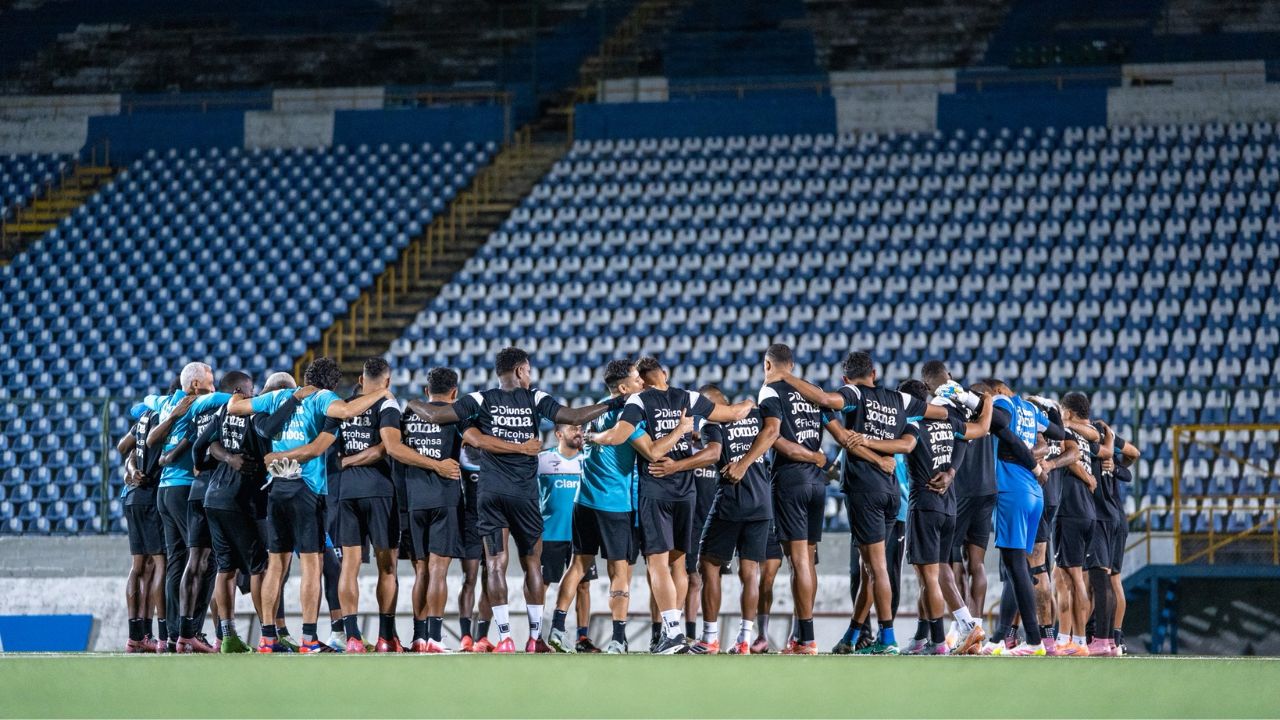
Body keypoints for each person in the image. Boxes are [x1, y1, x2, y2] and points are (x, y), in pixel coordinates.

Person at [405, 346, 623, 653]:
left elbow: (437, 414)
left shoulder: (480, 399)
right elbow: (573, 415)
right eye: (529, 370)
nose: (530, 375)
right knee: (532, 562)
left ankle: (505, 637)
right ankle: (535, 638)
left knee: (495, 564)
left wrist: (413, 401)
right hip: (523, 494)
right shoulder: (534, 397)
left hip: (490, 493)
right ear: (520, 371)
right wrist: (614, 402)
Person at [767, 351, 949, 654]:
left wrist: (785, 376)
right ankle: (853, 635)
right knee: (869, 568)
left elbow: (826, 400)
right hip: (893, 493)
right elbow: (940, 415)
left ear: (845, 378)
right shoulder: (899, 399)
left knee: (875, 567)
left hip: (865, 489)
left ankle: (887, 637)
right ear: (874, 373)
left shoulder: (854, 393)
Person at [586, 356, 751, 654]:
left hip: (655, 488)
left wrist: (593, 436)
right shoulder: (689, 397)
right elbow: (734, 414)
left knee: (657, 563)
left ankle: (672, 632)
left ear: (644, 381)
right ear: (664, 373)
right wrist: (752, 402)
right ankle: (675, 636)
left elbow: (618, 437)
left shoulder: (637, 402)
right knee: (679, 563)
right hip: (686, 490)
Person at [227, 356, 393, 653]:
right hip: (307, 489)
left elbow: (235, 407)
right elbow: (347, 409)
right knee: (311, 566)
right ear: (331, 382)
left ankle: (266, 638)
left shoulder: (278, 396)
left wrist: (276, 453)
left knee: (275, 565)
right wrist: (382, 392)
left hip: (276, 488)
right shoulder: (322, 398)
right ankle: (308, 639)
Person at [546, 360, 645, 654]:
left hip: (584, 499)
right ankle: (618, 637)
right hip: (614, 502)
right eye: (637, 379)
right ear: (624, 387)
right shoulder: (630, 415)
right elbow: (650, 450)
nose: (642, 383)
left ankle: (557, 629)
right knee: (620, 570)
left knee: (578, 565)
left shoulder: (598, 408)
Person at [192, 371, 283, 653]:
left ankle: (227, 635)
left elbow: (200, 446)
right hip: (241, 500)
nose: (254, 393)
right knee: (259, 567)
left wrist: (214, 464)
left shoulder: (221, 412)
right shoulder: (255, 415)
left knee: (226, 567)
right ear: (241, 390)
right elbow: (269, 451)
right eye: (251, 389)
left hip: (213, 497)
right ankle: (269, 634)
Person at [973, 378, 1064, 656]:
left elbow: (999, 423)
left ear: (995, 392)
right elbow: (1058, 432)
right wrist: (1054, 410)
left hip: (1012, 490)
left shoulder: (1001, 402)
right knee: (1019, 568)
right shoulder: (1031, 409)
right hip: (1034, 494)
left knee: (1015, 566)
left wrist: (978, 404)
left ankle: (1034, 640)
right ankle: (1002, 636)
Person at [384, 367, 469, 653]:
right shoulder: (458, 415)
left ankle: (418, 637)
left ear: (426, 391)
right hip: (444, 497)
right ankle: (435, 637)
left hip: (412, 499)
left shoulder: (408, 415)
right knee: (439, 571)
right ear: (454, 392)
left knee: (421, 572)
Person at [690, 386, 780, 655]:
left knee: (707, 563)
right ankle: (744, 640)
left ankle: (709, 638)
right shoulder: (755, 415)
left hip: (731, 502)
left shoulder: (713, 422)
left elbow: (715, 453)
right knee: (750, 571)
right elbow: (771, 435)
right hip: (763, 502)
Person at [756, 344, 831, 655]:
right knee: (809, 558)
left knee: (797, 559)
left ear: (768, 364)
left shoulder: (769, 390)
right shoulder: (812, 392)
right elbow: (835, 430)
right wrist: (820, 459)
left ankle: (807, 639)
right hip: (818, 482)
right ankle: (802, 634)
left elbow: (775, 436)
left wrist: (746, 461)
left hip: (791, 480)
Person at [329, 358, 404, 653]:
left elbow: (332, 454)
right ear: (386, 381)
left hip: (346, 492)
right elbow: (387, 448)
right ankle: (387, 637)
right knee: (388, 567)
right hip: (379, 491)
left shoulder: (341, 406)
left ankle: (352, 637)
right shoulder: (387, 404)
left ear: (361, 380)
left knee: (349, 566)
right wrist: (368, 453)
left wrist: (346, 461)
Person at [141, 362, 212, 652]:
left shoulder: (165, 402)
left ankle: (170, 635)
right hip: (183, 489)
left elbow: (143, 403)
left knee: (176, 562)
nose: (214, 383)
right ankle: (190, 630)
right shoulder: (197, 403)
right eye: (210, 378)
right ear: (196, 385)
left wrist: (166, 409)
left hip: (164, 492)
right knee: (204, 559)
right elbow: (226, 400)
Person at [117, 391, 170, 653]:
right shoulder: (167, 417)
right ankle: (161, 636)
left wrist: (131, 470)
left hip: (131, 497)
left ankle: (137, 636)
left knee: (139, 566)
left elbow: (124, 448)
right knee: (160, 562)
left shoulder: (143, 417)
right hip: (151, 495)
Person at [539, 424, 595, 652]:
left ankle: (582, 638)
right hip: (550, 533)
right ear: (559, 434)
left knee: (584, 586)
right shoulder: (542, 460)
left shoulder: (589, 460)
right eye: (573, 428)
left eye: (580, 428)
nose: (579, 432)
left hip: (581, 534)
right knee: (541, 584)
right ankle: (537, 636)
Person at [1052, 392, 1097, 655]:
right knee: (1068, 576)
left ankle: (1075, 640)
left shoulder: (1066, 432)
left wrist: (1086, 478)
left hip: (1070, 510)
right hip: (1087, 511)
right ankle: (1068, 639)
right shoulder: (1087, 433)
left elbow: (1072, 457)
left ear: (1067, 412)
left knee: (1070, 577)